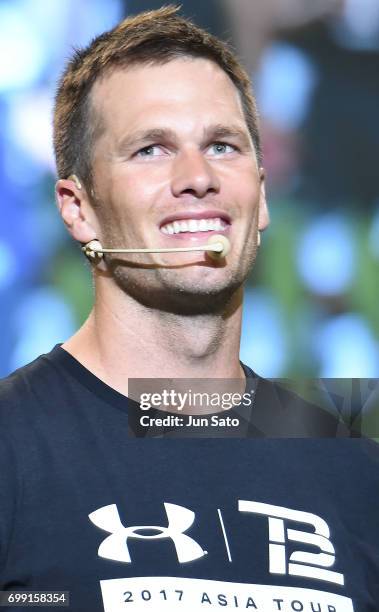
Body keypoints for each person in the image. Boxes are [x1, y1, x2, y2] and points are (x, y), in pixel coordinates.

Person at [0, 6, 378, 611]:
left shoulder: (355, 474)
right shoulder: (12, 448)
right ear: (77, 208)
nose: (197, 176)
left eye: (222, 145)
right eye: (151, 149)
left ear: (263, 193)